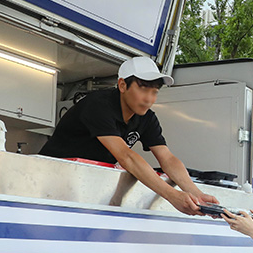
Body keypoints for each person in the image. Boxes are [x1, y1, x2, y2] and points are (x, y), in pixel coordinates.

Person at [39, 56, 218, 215]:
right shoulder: (98, 105)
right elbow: (126, 157)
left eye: (154, 92)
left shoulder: (147, 118)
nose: (149, 99)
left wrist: (197, 194)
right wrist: (173, 196)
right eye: (143, 89)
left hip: (86, 188)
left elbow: (168, 158)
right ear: (122, 85)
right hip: (46, 182)